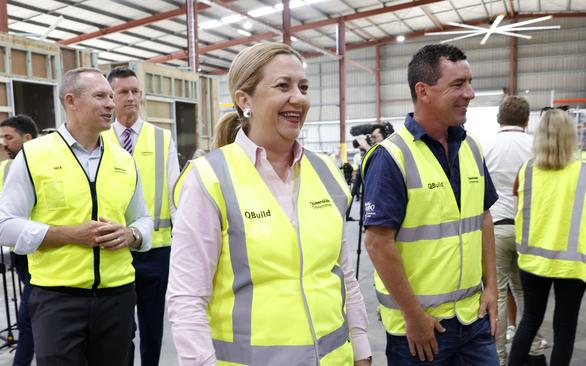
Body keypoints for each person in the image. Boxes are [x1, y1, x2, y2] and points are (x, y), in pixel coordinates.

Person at [167, 42, 372, 366]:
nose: (299, 97)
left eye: (303, 87)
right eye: (283, 86)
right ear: (244, 99)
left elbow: (343, 273)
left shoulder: (326, 172)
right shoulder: (209, 179)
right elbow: (187, 299)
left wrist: (361, 347)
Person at [0, 67, 153, 366]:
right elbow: (2, 227)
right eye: (100, 96)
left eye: (110, 97)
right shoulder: (35, 155)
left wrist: (132, 235)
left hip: (116, 298)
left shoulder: (123, 160)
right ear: (71, 101)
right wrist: (67, 234)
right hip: (57, 300)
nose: (111, 104)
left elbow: (143, 219)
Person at [361, 44, 499, 365]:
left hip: (473, 319)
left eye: (469, 82)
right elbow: (378, 244)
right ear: (423, 91)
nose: (470, 93)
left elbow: (483, 219)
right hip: (423, 329)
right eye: (458, 84)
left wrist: (492, 288)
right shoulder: (391, 157)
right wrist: (414, 316)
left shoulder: (471, 147)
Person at [103, 66, 180, 366]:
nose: (131, 97)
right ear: (110, 97)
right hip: (115, 249)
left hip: (157, 249)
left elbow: (175, 195)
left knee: (152, 325)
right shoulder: (100, 138)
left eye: (136, 91)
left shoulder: (162, 138)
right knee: (123, 328)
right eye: (123, 92)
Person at [508, 109, 586, 366]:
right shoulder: (583, 173)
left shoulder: (525, 170)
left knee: (529, 320)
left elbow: (518, 199)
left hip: (533, 260)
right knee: (565, 330)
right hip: (572, 264)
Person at [484, 96, 546, 365]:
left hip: (495, 228)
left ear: (499, 118)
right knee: (525, 293)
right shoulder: (536, 146)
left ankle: (497, 356)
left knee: (496, 293)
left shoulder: (485, 146)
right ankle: (531, 346)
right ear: (526, 119)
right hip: (527, 230)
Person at [0, 114, 38, 366]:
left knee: (28, 317)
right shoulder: (4, 169)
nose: (4, 143)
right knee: (30, 317)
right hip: (22, 256)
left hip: (47, 253)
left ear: (27, 138)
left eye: (8, 137)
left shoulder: (49, 163)